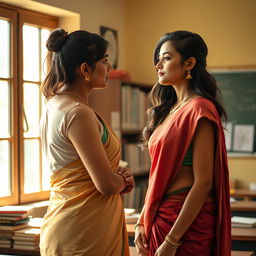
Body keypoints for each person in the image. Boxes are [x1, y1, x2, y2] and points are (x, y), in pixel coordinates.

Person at [134, 31, 231, 256]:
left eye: (166, 58)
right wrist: (141, 219)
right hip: (159, 215)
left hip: (185, 223)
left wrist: (172, 241)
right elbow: (157, 173)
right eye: (158, 58)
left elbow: (203, 182)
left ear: (189, 63)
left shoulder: (200, 109)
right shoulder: (168, 110)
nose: (158, 64)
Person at [39, 28, 135, 256]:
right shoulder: (77, 112)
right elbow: (106, 184)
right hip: (83, 233)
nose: (110, 68)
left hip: (73, 224)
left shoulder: (54, 104)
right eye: (104, 61)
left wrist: (117, 175)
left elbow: (84, 167)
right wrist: (122, 180)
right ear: (85, 69)